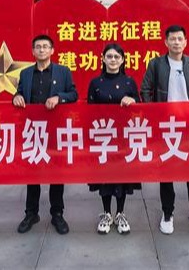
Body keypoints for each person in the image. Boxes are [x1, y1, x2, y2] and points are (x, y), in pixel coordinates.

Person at [141, 24, 189, 235]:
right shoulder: (156, 64)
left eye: (180, 39)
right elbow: (145, 89)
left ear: (185, 42)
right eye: (172, 39)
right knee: (166, 170)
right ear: (166, 42)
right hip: (166, 126)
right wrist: (155, 114)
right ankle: (167, 212)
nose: (176, 42)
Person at [13, 34, 78, 235]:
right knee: (32, 173)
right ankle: (31, 213)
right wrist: (16, 97)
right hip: (33, 131)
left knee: (56, 173)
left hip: (55, 130)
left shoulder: (63, 72)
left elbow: (74, 94)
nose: (42, 50)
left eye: (45, 46)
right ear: (33, 51)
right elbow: (19, 92)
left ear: (52, 50)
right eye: (38, 47)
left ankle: (57, 213)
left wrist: (59, 97)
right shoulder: (25, 73)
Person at [87, 43, 141, 235]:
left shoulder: (129, 82)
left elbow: (139, 105)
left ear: (123, 60)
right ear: (103, 59)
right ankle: (106, 214)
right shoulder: (95, 83)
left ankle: (120, 213)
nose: (113, 60)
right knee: (104, 176)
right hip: (102, 137)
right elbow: (89, 110)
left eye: (117, 57)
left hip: (123, 137)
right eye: (109, 56)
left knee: (122, 175)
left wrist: (133, 101)